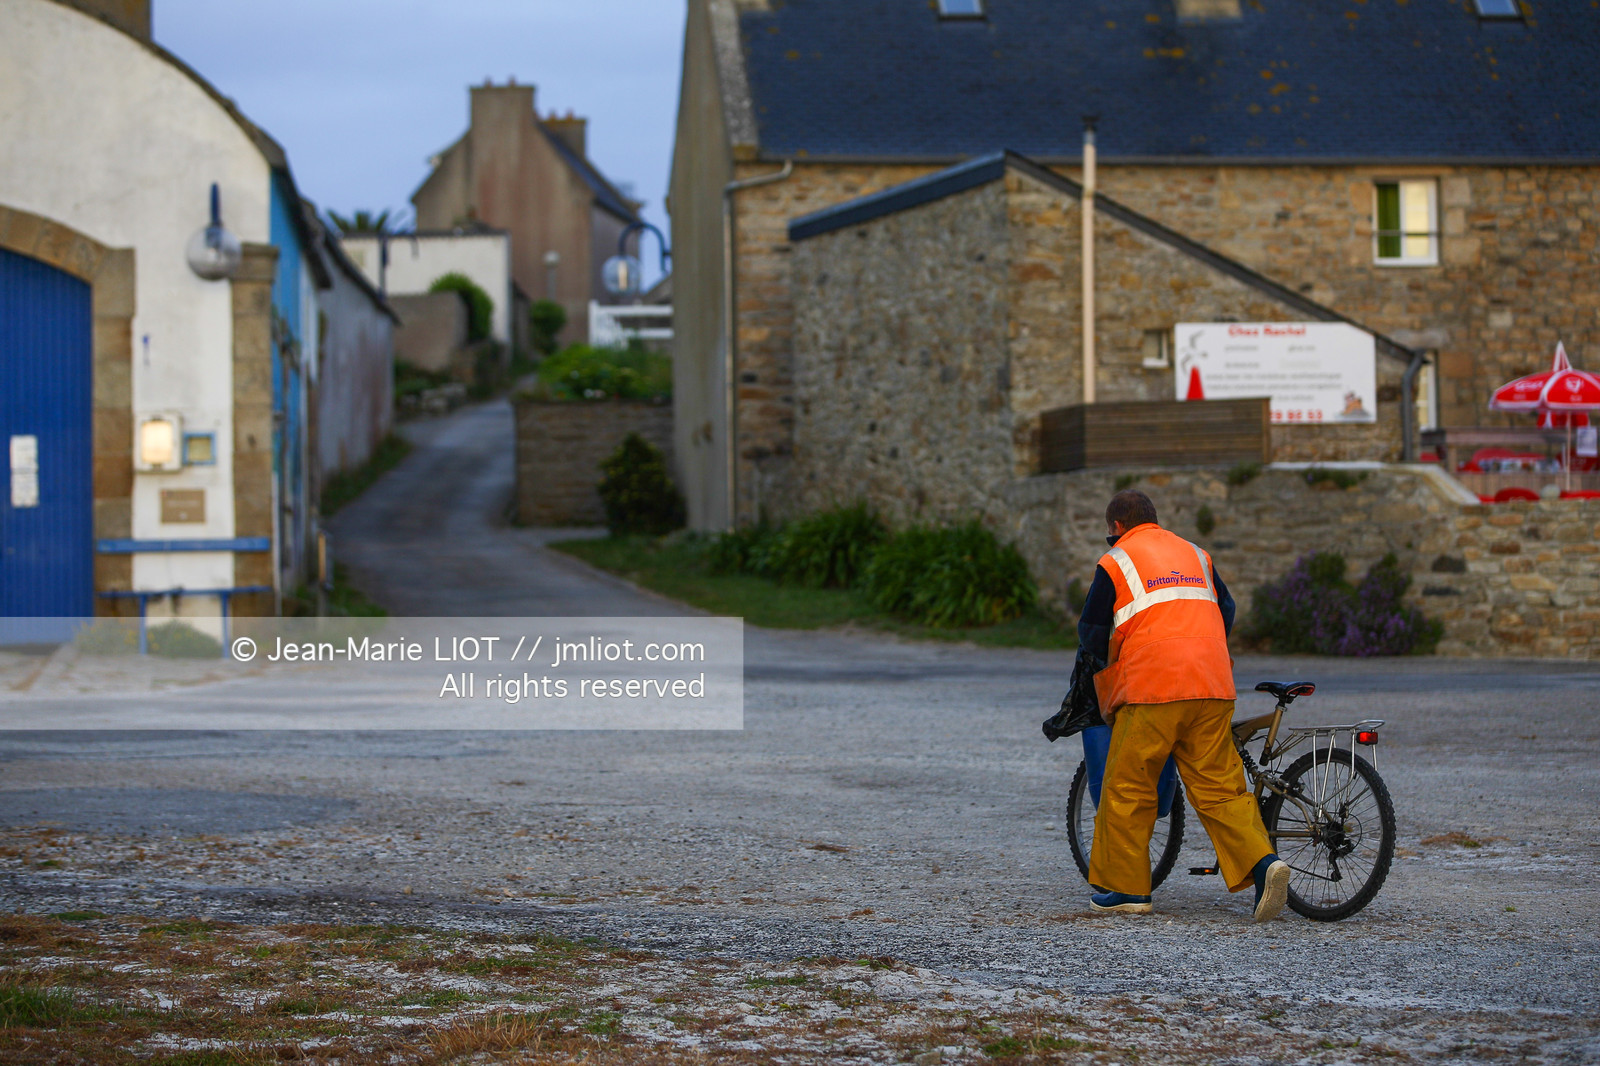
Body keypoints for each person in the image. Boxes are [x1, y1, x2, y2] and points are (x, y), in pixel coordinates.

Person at [1077, 489, 1290, 922]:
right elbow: (1225, 608)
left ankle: (1127, 890)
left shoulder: (1117, 559)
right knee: (1220, 788)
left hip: (1152, 687)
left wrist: (1106, 665)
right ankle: (1266, 865)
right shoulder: (1195, 553)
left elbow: (1092, 631)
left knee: (1128, 786)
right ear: (1155, 519)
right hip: (1212, 683)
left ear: (1117, 527)